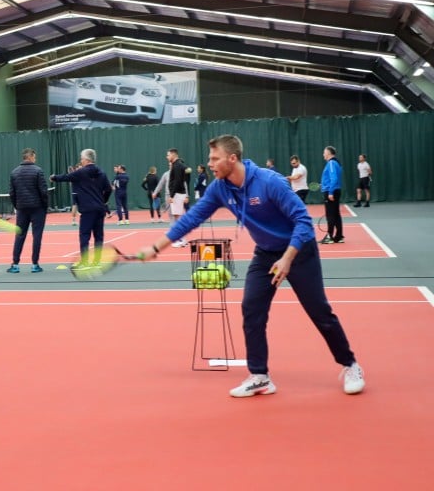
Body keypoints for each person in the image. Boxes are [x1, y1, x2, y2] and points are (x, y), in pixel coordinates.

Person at [138, 134, 365, 398]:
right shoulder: (220, 188)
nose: (209, 163)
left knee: (319, 312)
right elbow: (191, 219)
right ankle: (260, 376)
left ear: (232, 159)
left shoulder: (270, 182)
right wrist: (156, 247)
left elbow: (303, 221)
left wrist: (287, 259)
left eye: (214, 158)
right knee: (252, 309)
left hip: (299, 251)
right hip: (266, 253)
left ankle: (350, 365)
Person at [50, 149, 111, 266]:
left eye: (82, 159)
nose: (81, 161)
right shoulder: (102, 173)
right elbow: (108, 189)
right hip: (100, 209)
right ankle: (97, 261)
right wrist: (103, 201)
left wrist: (53, 177)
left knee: (84, 235)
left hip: (88, 210)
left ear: (87, 160)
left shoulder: (81, 172)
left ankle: (84, 261)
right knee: (99, 236)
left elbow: (66, 177)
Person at [7, 148, 49, 273]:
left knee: (19, 236)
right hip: (37, 209)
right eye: (34, 157)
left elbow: (11, 193)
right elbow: (43, 191)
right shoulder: (38, 171)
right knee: (37, 236)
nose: (35, 159)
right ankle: (35, 264)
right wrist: (45, 206)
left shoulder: (14, 172)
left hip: (22, 209)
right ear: (30, 157)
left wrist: (17, 206)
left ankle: (15, 264)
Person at [166, 148, 190, 248]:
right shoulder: (181, 165)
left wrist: (171, 195)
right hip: (179, 194)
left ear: (173, 155)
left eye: (168, 155)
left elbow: (177, 182)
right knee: (177, 218)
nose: (167, 157)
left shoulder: (176, 166)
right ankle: (183, 239)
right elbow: (185, 179)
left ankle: (183, 240)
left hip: (177, 195)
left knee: (178, 218)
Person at [320, 146, 344, 244]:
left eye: (324, 152)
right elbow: (333, 179)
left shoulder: (331, 163)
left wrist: (330, 192)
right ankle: (339, 236)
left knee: (330, 215)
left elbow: (334, 178)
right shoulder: (336, 163)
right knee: (336, 214)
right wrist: (324, 184)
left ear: (329, 153)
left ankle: (329, 236)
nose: (323, 154)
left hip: (331, 192)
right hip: (335, 189)